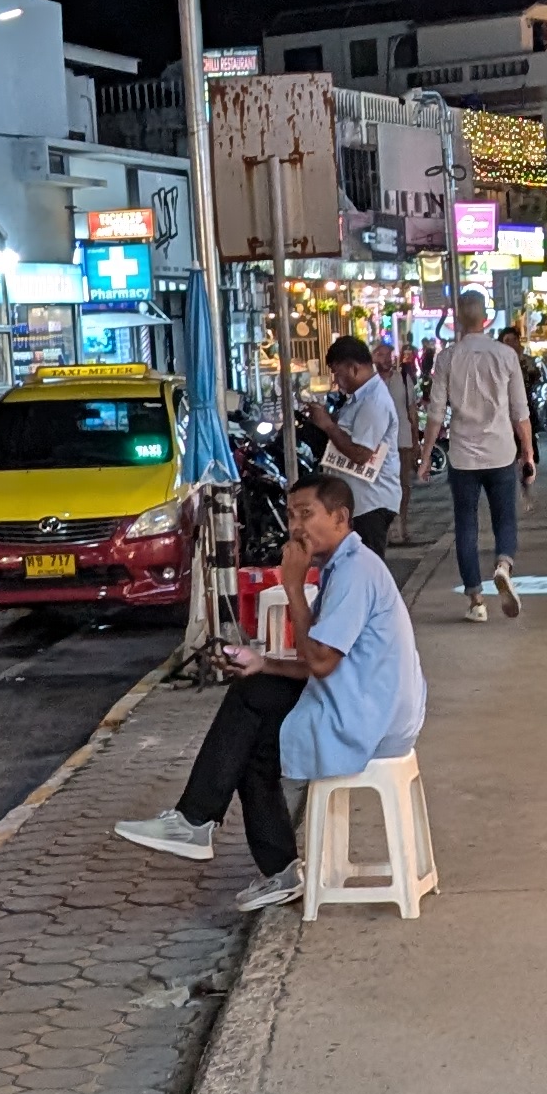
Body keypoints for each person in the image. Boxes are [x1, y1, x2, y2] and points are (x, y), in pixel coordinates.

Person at [116, 474, 425, 911]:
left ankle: (197, 821)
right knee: (252, 730)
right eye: (292, 514)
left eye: (307, 514)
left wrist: (293, 585)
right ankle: (271, 866)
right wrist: (264, 662)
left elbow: (321, 662)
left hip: (372, 721)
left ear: (340, 518)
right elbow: (325, 662)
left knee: (250, 703)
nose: (296, 526)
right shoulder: (343, 566)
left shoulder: (355, 571)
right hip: (364, 705)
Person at [416, 287, 535, 618]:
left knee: (465, 525)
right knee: (504, 518)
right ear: (486, 318)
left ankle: (476, 601)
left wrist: (426, 457)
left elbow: (436, 414)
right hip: (500, 452)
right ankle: (503, 566)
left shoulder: (447, 358)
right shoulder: (506, 355)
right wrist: (528, 453)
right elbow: (520, 411)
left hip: (463, 455)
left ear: (457, 319)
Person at [308, 329, 401, 552]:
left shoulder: (373, 401)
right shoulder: (360, 398)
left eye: (337, 372)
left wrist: (328, 425)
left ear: (353, 368)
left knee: (367, 564)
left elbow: (361, 453)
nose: (336, 380)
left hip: (370, 502)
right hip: (359, 501)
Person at [374, 335, 418, 544]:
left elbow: (412, 410)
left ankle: (402, 524)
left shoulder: (403, 379)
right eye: (381, 355)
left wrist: (416, 440)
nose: (386, 359)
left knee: (403, 485)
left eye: (388, 355)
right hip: (377, 442)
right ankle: (386, 527)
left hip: (402, 438)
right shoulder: (370, 382)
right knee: (381, 486)